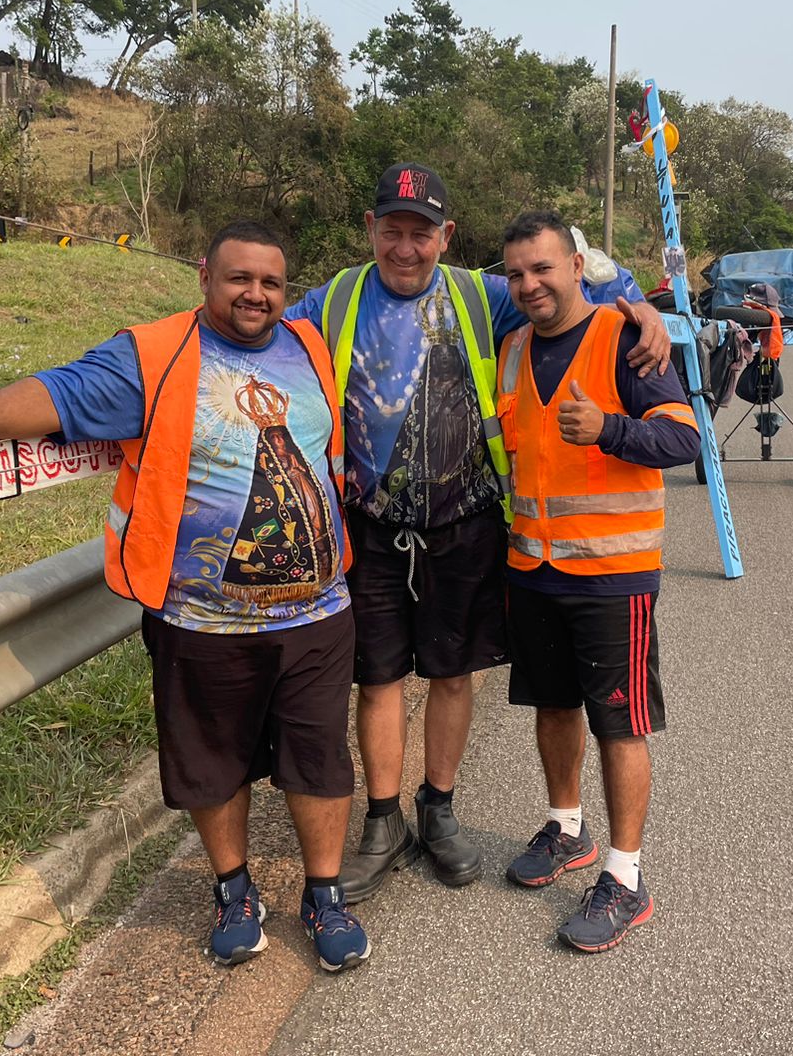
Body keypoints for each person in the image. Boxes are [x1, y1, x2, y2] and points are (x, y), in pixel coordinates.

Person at [0, 221, 372, 974]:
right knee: (214, 762)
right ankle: (233, 890)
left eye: (270, 282)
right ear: (206, 275)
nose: (255, 294)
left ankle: (324, 895)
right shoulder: (154, 355)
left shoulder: (307, 348)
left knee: (320, 761)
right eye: (239, 278)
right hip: (201, 620)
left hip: (317, 612)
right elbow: (59, 392)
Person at [286, 164, 672, 902]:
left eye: (421, 233)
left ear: (447, 237)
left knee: (452, 674)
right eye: (391, 231)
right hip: (367, 526)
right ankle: (382, 821)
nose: (406, 247)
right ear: (369, 229)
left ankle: (438, 811)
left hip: (462, 524)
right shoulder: (331, 299)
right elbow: (258, 327)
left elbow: (569, 288)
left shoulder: (481, 294)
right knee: (378, 680)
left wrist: (635, 308)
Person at [494, 210, 699, 953]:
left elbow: (682, 437)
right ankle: (566, 828)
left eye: (543, 268)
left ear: (578, 266)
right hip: (535, 568)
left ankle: (625, 877)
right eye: (516, 273)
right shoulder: (511, 346)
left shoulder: (625, 340)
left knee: (619, 723)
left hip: (613, 576)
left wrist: (611, 430)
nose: (529, 284)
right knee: (553, 707)